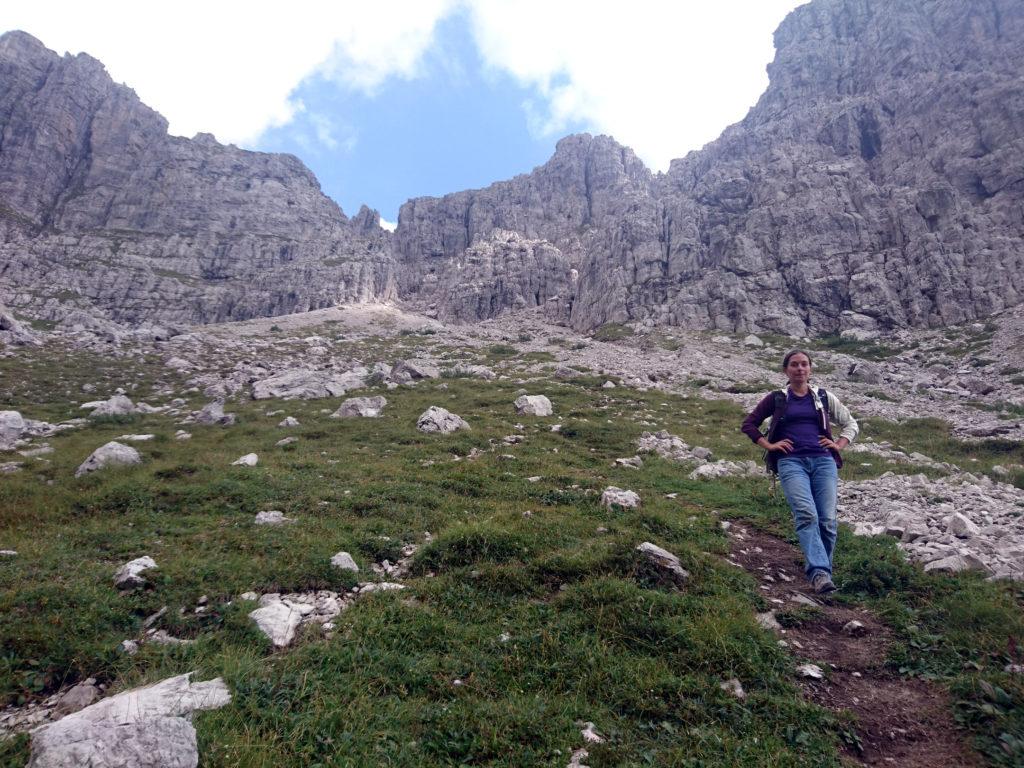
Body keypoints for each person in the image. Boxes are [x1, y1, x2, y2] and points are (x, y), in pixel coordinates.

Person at [740, 350, 859, 594]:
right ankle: (819, 573)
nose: (800, 369)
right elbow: (749, 424)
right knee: (806, 514)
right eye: (794, 365)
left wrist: (838, 445)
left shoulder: (823, 397)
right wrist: (770, 446)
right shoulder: (777, 398)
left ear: (811, 369)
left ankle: (822, 572)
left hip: (824, 461)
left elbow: (851, 423)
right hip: (790, 462)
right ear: (786, 370)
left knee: (827, 520)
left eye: (804, 364)